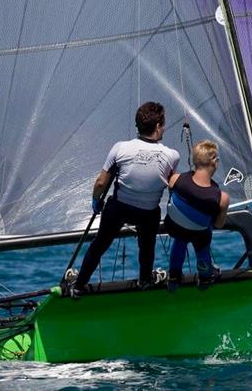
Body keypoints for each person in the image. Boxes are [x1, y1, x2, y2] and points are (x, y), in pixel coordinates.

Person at [71, 102, 179, 297]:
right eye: (163, 124)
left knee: (100, 243)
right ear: (157, 127)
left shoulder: (120, 148)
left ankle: (79, 285)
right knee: (147, 246)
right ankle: (145, 280)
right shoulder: (172, 156)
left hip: (119, 208)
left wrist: (96, 201)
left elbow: (101, 183)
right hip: (148, 213)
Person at [164, 140, 229, 292]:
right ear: (213, 161)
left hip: (173, 227)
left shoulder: (175, 179)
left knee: (181, 237)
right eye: (217, 159)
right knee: (203, 238)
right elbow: (219, 225)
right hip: (199, 234)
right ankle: (205, 278)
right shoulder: (221, 197)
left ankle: (174, 277)